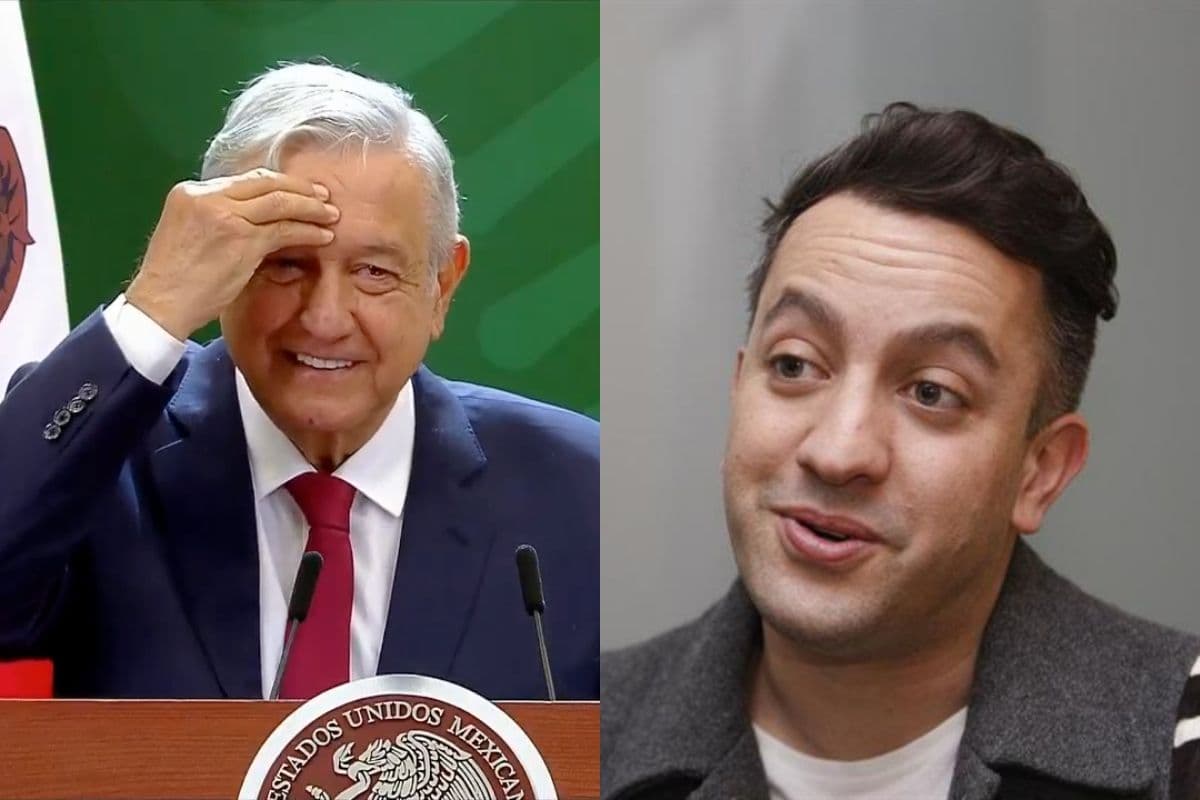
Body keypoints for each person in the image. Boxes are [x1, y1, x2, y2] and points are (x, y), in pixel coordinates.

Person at [601, 103, 1200, 799]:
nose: (838, 451)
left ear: (1040, 472)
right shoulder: (565, 732)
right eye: (796, 364)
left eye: (932, 391)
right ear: (739, 391)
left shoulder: (1179, 737)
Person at [0, 63, 598, 701]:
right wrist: (154, 306)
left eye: (373, 272)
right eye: (284, 264)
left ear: (442, 286)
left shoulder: (578, 490)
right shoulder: (101, 460)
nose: (324, 318)